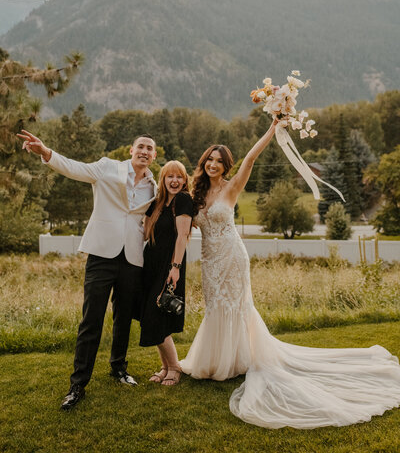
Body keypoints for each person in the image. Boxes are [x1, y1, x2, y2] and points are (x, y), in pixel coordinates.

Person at [180, 121, 400, 429]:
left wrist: (272, 127)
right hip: (210, 261)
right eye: (210, 160)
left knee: (237, 307)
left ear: (226, 166)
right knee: (215, 307)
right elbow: (181, 228)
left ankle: (237, 362)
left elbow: (251, 158)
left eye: (219, 161)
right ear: (203, 163)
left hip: (233, 257)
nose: (213, 164)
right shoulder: (194, 195)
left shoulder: (231, 188)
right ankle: (218, 361)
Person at [17, 129, 157, 410]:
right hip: (101, 255)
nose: (144, 151)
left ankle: (118, 368)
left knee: (123, 318)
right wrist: (47, 153)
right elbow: (74, 168)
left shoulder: (155, 186)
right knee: (91, 320)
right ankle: (78, 385)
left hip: (132, 258)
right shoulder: (107, 167)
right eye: (140, 146)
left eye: (150, 149)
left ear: (154, 156)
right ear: (131, 150)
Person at [140, 160, 193, 386]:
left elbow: (182, 236)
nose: (174, 181)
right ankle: (164, 367)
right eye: (169, 176)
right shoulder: (158, 202)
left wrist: (176, 267)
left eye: (179, 176)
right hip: (150, 261)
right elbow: (144, 233)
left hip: (170, 264)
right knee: (151, 316)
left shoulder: (183, 200)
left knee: (157, 314)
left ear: (184, 180)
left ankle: (174, 367)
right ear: (163, 179)